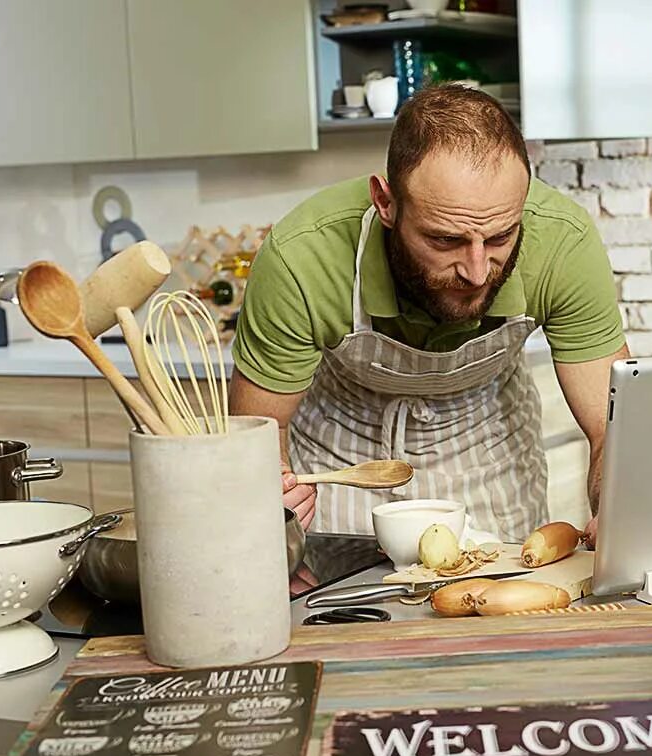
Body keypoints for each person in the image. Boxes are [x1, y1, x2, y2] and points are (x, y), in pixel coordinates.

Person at [229, 84, 627, 546]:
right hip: (343, 462)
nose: (477, 272)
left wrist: (621, 505)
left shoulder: (564, 243)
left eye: (500, 238)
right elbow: (256, 434)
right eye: (445, 240)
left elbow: (610, 427)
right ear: (386, 203)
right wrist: (276, 522)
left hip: (489, 448)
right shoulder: (301, 258)